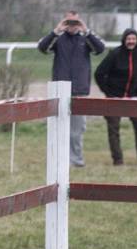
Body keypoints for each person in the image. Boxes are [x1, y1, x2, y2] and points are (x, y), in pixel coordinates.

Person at [38, 11, 105, 167]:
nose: (72, 25)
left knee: (76, 131)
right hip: (59, 90)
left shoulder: (85, 39)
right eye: (69, 22)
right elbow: (42, 48)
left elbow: (100, 49)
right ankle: (58, 160)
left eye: (75, 22)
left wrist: (86, 30)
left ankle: (76, 160)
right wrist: (56, 30)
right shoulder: (58, 39)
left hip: (79, 91)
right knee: (58, 128)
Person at [94, 28, 137, 165]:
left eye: (133, 39)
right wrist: (108, 92)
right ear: (124, 40)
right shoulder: (115, 54)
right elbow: (99, 73)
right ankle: (118, 160)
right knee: (113, 129)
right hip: (114, 97)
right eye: (128, 39)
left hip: (133, 98)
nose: (131, 41)